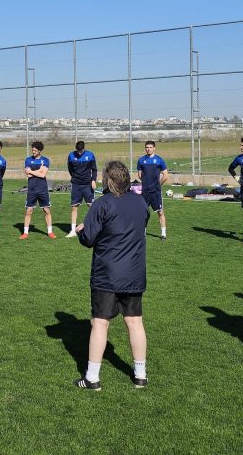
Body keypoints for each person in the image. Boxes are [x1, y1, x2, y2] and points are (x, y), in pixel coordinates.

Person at [75, 161, 150, 390]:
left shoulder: (102, 203)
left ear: (108, 180)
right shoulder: (140, 202)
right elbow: (141, 224)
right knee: (135, 321)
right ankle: (140, 375)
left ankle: (92, 377)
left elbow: (88, 239)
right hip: (134, 272)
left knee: (100, 322)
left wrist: (81, 231)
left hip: (107, 273)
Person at [22, 141, 55, 239]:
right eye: (32, 150)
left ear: (40, 151)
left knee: (46, 210)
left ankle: (50, 232)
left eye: (35, 151)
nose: (33, 152)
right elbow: (28, 175)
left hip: (42, 189)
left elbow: (43, 175)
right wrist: (39, 170)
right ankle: (25, 233)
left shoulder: (45, 160)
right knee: (29, 211)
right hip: (31, 189)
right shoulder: (28, 160)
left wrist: (32, 171)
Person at [136, 141, 169, 240]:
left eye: (150, 147)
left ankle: (163, 234)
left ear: (154, 148)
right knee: (143, 212)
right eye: (147, 147)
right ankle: (143, 232)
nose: (148, 149)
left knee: (160, 212)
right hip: (145, 192)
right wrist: (146, 182)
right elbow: (139, 175)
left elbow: (165, 176)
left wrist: (158, 185)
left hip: (156, 192)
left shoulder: (159, 160)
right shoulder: (141, 160)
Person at [65, 141, 97, 238]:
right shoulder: (71, 156)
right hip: (76, 185)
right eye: (78, 150)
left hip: (88, 184)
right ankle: (73, 230)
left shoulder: (90, 155)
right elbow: (70, 169)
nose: (79, 152)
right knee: (74, 207)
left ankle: (94, 228)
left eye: (81, 150)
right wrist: (75, 178)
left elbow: (94, 169)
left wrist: (93, 180)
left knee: (91, 206)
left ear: (84, 148)